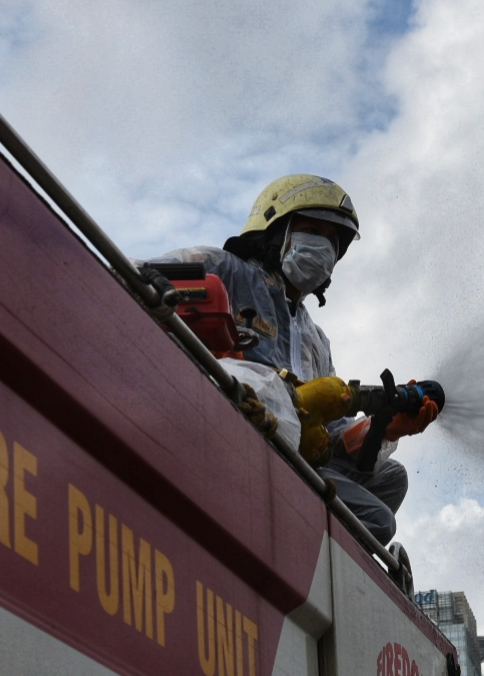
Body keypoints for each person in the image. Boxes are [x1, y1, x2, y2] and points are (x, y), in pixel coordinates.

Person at [139, 175, 435, 545]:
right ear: (274, 230)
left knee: (393, 478)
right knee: (376, 521)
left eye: (332, 240)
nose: (323, 246)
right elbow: (139, 275)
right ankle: (287, 556)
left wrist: (386, 426)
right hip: (226, 437)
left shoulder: (316, 341)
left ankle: (286, 544)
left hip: (295, 464)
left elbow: (333, 441)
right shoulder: (226, 270)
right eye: (312, 229)